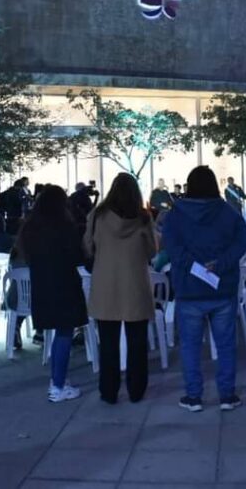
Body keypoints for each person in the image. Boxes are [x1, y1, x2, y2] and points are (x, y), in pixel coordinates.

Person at [163, 166, 246, 412]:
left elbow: (172, 247)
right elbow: (242, 241)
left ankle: (194, 396)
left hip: (189, 290)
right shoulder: (228, 212)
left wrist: (192, 265)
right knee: (225, 344)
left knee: (190, 346)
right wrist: (221, 264)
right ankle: (227, 395)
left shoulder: (176, 214)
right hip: (222, 289)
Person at [84, 173, 157, 404]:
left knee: (107, 343)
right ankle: (136, 390)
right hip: (135, 285)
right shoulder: (143, 218)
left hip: (105, 286)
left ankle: (109, 391)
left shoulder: (97, 216)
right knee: (137, 343)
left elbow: (88, 246)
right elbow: (152, 251)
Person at [16, 186, 88, 402]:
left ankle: (58, 379)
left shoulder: (30, 229)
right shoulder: (65, 227)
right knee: (64, 334)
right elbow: (77, 257)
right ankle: (57, 385)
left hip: (42, 286)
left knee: (59, 335)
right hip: (64, 285)